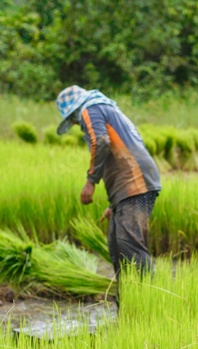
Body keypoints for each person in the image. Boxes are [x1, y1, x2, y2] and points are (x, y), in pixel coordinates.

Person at [55, 85, 161, 306]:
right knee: (116, 246)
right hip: (128, 187)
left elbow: (101, 141)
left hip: (136, 181)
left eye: (73, 120)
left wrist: (90, 181)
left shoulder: (90, 108)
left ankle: (153, 303)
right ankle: (128, 306)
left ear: (74, 111)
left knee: (130, 245)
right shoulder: (107, 109)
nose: (76, 124)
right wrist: (114, 205)